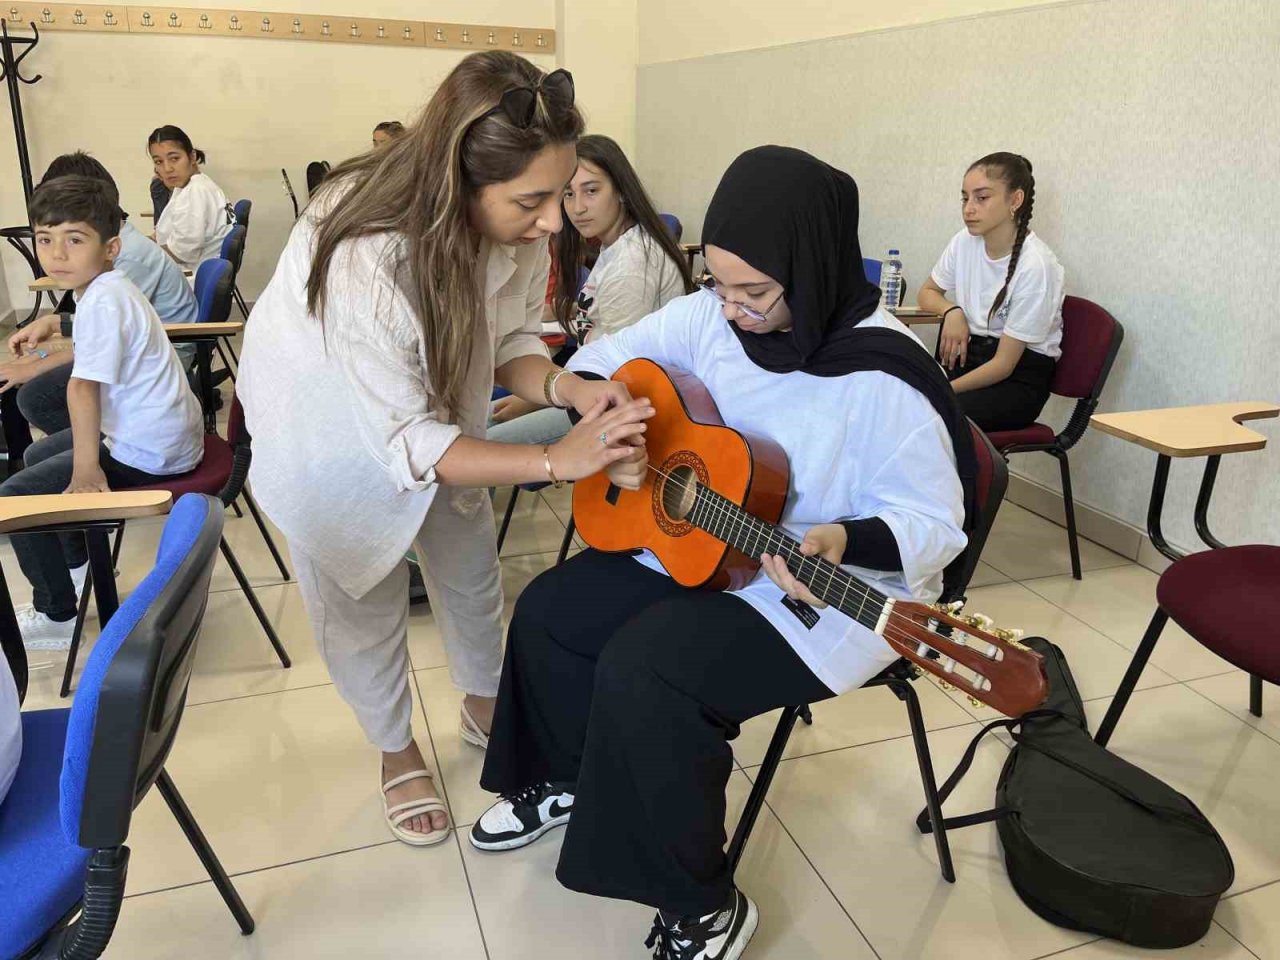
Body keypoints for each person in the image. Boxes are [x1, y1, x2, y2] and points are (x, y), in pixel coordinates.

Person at [470, 146, 974, 959]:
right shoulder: (711, 314)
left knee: (649, 669)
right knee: (552, 609)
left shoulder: (887, 378)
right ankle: (566, 777)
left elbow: (934, 527)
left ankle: (701, 905)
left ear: (811, 271)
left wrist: (845, 538)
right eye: (721, 285)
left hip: (820, 591)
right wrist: (614, 424)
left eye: (756, 293)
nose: (732, 311)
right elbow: (601, 361)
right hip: (702, 544)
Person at [237, 52, 652, 848]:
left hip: (428, 417)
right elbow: (405, 441)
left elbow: (515, 337)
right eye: (532, 202)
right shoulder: (363, 248)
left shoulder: (518, 223)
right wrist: (555, 460)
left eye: (560, 196)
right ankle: (396, 751)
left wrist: (567, 391)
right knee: (360, 600)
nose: (553, 223)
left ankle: (485, 701)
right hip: (325, 433)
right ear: (460, 181)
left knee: (468, 568)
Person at [0, 176, 203, 650]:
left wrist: (88, 470)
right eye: (45, 240)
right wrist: (60, 325)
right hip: (157, 435)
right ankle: (80, 565)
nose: (57, 254)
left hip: (150, 451)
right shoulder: (109, 289)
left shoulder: (104, 299)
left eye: (75, 240)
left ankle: (57, 615)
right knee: (37, 458)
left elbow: (83, 389)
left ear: (110, 247)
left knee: (13, 497)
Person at [488, 134, 693, 448]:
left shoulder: (632, 263)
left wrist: (537, 400)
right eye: (568, 194)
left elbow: (619, 364)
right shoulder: (615, 245)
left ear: (622, 191)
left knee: (486, 440)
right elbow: (607, 317)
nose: (577, 208)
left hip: (622, 398)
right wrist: (566, 311)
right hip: (593, 384)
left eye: (592, 191)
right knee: (478, 421)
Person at [0, 151, 199, 437]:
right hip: (140, 350)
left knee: (35, 396)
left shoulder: (123, 261)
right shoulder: (108, 256)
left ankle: (96, 447)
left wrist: (38, 364)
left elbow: (105, 339)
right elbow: (102, 330)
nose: (57, 252)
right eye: (46, 238)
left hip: (163, 357)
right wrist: (52, 329)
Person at [917, 152, 1065, 432]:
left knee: (932, 415)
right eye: (965, 198)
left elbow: (1004, 364)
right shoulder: (964, 242)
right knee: (894, 396)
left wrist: (941, 389)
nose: (968, 209)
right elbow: (927, 292)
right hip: (967, 360)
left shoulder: (1038, 266)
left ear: (1015, 200)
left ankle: (962, 477)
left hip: (1016, 381)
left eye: (981, 198)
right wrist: (952, 311)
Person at [149, 125, 234, 272]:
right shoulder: (197, 184)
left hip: (189, 276)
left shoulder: (195, 192)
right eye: (159, 162)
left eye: (174, 158)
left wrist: (142, 250)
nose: (167, 168)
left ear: (192, 156)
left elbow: (181, 252)